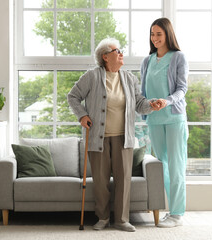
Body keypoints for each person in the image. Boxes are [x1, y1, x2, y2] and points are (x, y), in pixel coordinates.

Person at [68, 38, 158, 232]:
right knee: (100, 181)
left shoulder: (129, 78)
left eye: (121, 51)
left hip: (123, 137)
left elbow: (139, 103)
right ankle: (102, 218)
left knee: (123, 179)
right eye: (117, 51)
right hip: (97, 138)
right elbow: (73, 96)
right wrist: (82, 115)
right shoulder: (92, 76)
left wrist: (151, 105)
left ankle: (122, 220)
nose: (121, 53)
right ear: (105, 56)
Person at [140, 17, 189, 228]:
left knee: (176, 166)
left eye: (159, 34)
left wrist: (166, 101)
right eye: (152, 34)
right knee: (162, 167)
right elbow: (143, 92)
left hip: (174, 118)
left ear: (167, 34)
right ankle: (169, 210)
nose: (155, 38)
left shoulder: (178, 57)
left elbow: (182, 88)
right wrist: (147, 106)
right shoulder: (147, 61)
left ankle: (177, 214)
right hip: (154, 119)